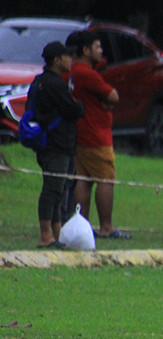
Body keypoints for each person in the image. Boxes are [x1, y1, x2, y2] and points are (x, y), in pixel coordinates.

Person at [67, 30, 129, 239]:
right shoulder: (86, 73)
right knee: (105, 178)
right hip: (96, 135)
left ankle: (81, 225)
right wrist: (107, 101)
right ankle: (106, 226)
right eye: (97, 47)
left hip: (81, 134)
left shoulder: (72, 72)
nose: (101, 51)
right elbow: (113, 96)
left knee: (83, 179)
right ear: (85, 50)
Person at [30, 42, 85, 248]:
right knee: (52, 189)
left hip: (54, 144)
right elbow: (73, 109)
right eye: (66, 57)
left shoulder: (41, 82)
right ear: (56, 60)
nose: (70, 60)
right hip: (55, 145)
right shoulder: (54, 84)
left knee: (59, 190)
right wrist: (79, 106)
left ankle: (56, 234)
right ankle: (45, 235)